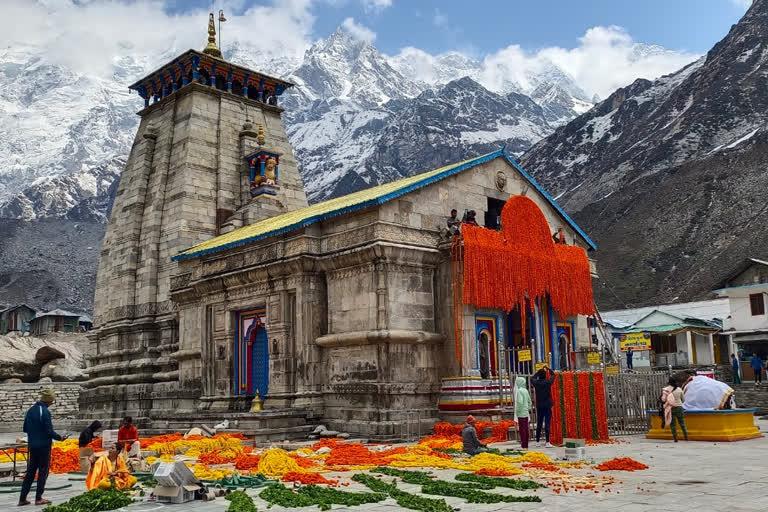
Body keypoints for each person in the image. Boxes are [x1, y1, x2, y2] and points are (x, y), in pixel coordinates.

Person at [18, 389, 67, 507]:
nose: (52, 403)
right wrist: (60, 438)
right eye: (52, 401)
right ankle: (38, 498)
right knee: (43, 472)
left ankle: (22, 499)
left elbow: (25, 429)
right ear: (49, 401)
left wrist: (35, 432)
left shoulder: (30, 411)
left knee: (30, 472)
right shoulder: (44, 412)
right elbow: (49, 431)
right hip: (44, 447)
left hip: (33, 446)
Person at [531, 367, 555, 448]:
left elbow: (532, 378)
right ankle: (547, 442)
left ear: (539, 376)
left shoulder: (536, 383)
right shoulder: (548, 382)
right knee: (547, 423)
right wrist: (548, 369)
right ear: (545, 376)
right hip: (547, 405)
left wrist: (538, 371)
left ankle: (537, 441)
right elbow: (553, 375)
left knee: (539, 423)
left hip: (539, 405)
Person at [667, 377, 688, 442]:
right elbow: (683, 400)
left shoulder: (667, 390)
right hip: (679, 407)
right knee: (682, 422)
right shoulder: (679, 389)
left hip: (671, 408)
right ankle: (686, 436)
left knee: (673, 424)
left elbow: (664, 399)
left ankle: (675, 438)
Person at [515, 376, 532, 450]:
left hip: (521, 413)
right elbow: (530, 402)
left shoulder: (519, 391)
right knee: (526, 429)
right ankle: (526, 445)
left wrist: (517, 411)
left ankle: (523, 445)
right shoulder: (526, 390)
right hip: (526, 413)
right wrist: (527, 408)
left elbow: (519, 402)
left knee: (522, 430)